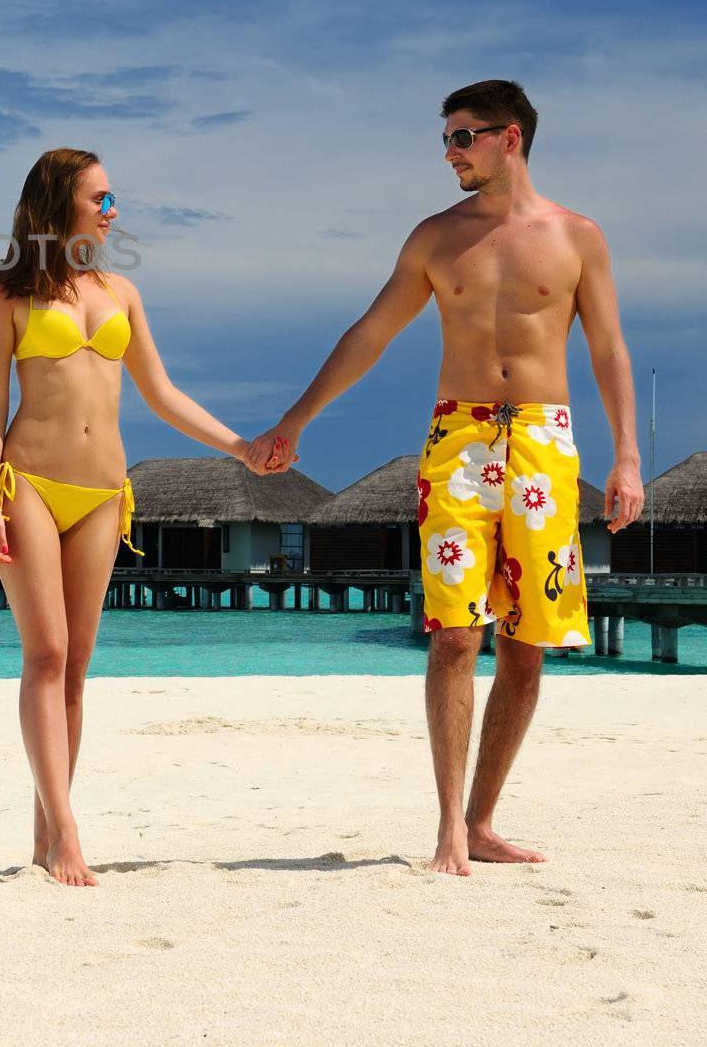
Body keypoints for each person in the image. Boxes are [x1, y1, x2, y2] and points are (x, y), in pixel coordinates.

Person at [247, 79, 644, 875]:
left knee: (526, 646)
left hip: (543, 441)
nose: (450, 152)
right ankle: (446, 831)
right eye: (446, 139)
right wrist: (296, 419)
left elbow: (607, 350)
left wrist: (627, 456)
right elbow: (372, 333)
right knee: (455, 634)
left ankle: (483, 820)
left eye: (463, 137)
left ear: (511, 138)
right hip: (457, 443)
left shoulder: (578, 237)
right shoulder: (434, 238)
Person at [0, 147, 281, 887]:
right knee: (45, 655)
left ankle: (49, 830)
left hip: (106, 493)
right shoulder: (6, 293)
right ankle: (70, 833)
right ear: (59, 203)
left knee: (76, 669)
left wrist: (240, 447)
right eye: (101, 199)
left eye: (113, 200)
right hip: (34, 486)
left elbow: (162, 393)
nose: (114, 211)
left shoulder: (123, 292)